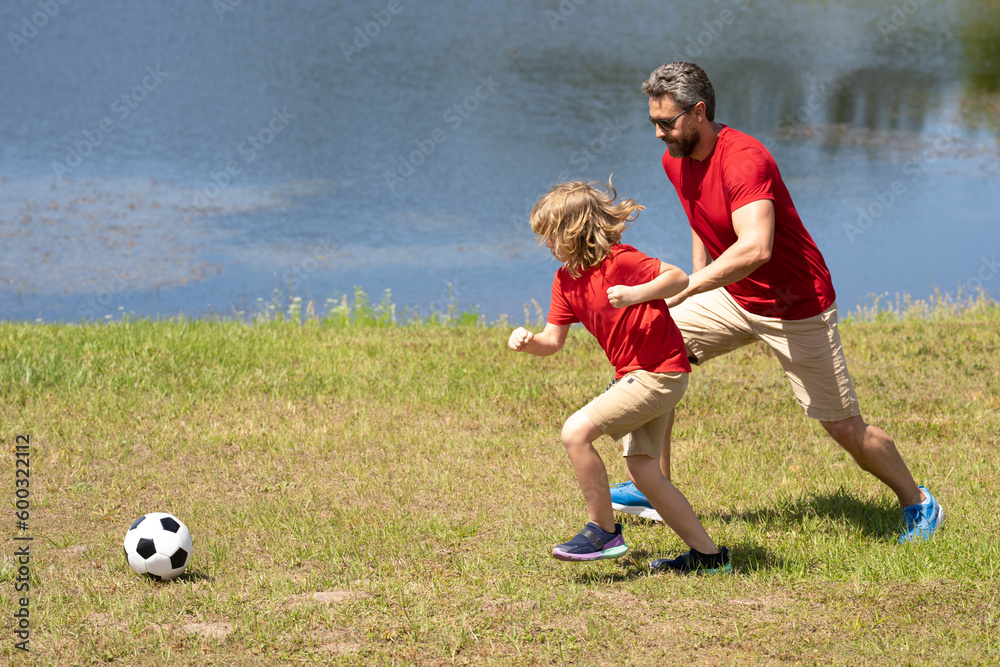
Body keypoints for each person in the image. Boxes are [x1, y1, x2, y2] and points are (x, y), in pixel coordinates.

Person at [608, 62, 943, 543]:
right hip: (732, 294)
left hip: (795, 305)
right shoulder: (675, 159)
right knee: (651, 354)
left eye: (667, 122)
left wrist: (692, 285)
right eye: (652, 123)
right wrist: (696, 282)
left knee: (844, 427)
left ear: (699, 112)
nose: (659, 133)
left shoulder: (745, 158)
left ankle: (919, 502)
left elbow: (756, 247)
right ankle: (651, 484)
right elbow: (700, 221)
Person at [508, 179, 732, 573]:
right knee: (645, 473)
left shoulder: (622, 261)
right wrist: (529, 342)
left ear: (574, 231)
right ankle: (709, 557)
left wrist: (636, 293)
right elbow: (552, 340)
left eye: (551, 236)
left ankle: (603, 532)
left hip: (658, 373)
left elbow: (678, 278)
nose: (547, 245)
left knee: (575, 432)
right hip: (641, 374)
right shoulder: (566, 279)